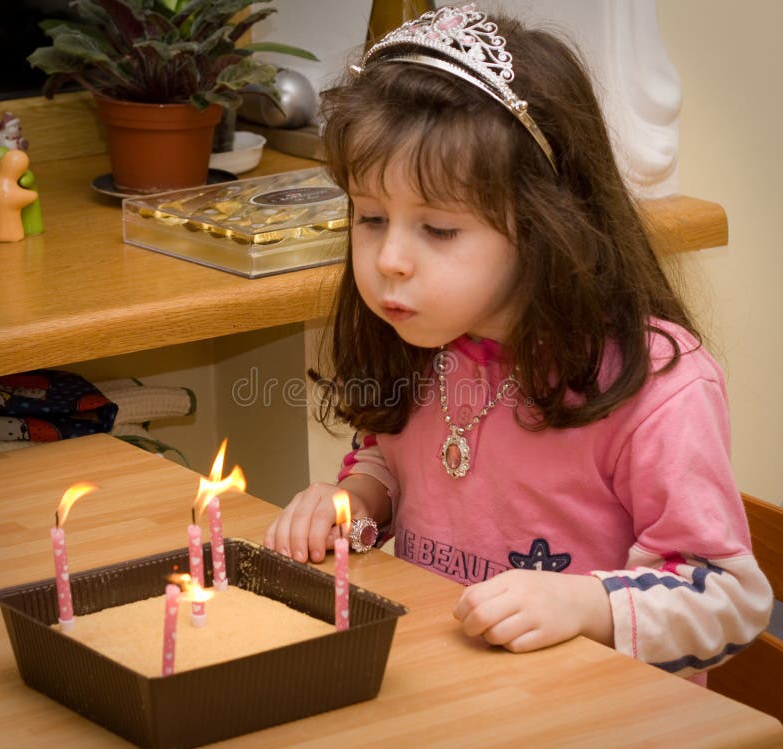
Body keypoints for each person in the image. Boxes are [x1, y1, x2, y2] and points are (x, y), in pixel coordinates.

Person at [264, 3, 772, 681]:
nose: (389, 259)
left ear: (543, 226)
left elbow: (730, 599)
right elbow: (390, 458)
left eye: (438, 230)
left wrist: (586, 604)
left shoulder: (658, 390)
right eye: (371, 218)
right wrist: (354, 503)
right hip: (452, 698)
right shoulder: (426, 336)